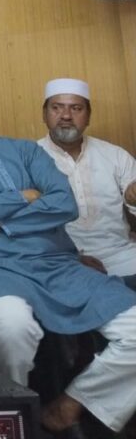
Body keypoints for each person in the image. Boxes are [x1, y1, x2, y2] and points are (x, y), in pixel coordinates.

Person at [0, 78, 136, 433]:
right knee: (11, 326)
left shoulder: (25, 151)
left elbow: (64, 203)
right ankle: (14, 418)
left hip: (57, 264)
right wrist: (26, 196)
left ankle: (71, 404)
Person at [35, 78, 136, 289]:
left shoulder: (115, 156)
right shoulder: (29, 158)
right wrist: (70, 257)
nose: (66, 116)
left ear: (88, 116)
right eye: (57, 108)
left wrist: (132, 198)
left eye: (76, 108)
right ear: (44, 114)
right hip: (59, 261)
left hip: (121, 254)